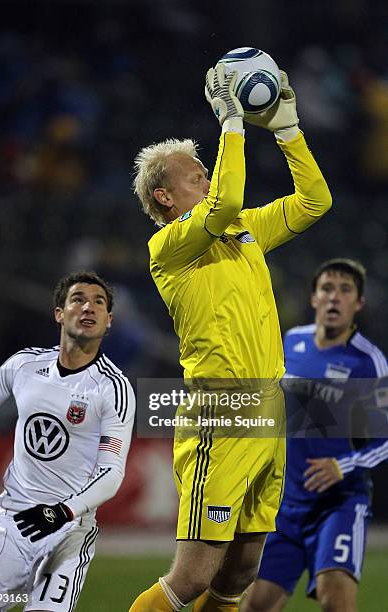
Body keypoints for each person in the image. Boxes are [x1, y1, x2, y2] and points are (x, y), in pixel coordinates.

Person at [130, 62, 332, 612]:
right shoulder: (170, 248)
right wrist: (231, 122)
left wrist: (288, 130)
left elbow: (315, 203)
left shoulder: (243, 232)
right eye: (195, 174)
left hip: (268, 406)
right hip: (221, 410)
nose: (208, 175)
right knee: (193, 576)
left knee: (241, 569)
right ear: (166, 197)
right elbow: (223, 201)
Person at [0, 270, 135, 612]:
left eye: (98, 303)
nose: (88, 307)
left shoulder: (113, 388)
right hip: (10, 522)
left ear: (108, 322)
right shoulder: (23, 365)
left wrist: (63, 511)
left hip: (69, 530)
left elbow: (111, 471)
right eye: (78, 299)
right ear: (59, 313)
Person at [242, 258, 388, 612]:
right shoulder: (292, 341)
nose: (334, 297)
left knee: (333, 599)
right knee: (255, 606)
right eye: (327, 288)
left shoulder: (368, 362)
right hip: (284, 504)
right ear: (313, 299)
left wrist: (344, 465)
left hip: (338, 504)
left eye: (345, 290)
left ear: (358, 304)